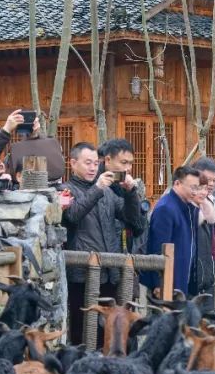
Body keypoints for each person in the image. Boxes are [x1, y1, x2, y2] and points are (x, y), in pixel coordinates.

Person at [63, 142, 146, 344]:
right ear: (73, 164)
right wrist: (98, 187)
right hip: (81, 274)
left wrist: (130, 193)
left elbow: (135, 223)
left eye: (95, 163)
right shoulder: (66, 189)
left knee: (109, 331)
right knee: (82, 331)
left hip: (110, 273)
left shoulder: (108, 192)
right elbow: (73, 216)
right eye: (87, 163)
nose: (92, 168)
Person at [143, 166, 201, 298]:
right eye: (192, 187)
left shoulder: (188, 207)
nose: (195, 191)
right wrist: (159, 283)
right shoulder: (166, 208)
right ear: (177, 183)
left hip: (182, 277)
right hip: (168, 280)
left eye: (197, 187)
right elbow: (158, 247)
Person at [99, 138, 147, 254]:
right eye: (124, 162)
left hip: (124, 254)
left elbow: (138, 227)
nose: (129, 168)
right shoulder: (94, 184)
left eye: (131, 163)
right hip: (98, 255)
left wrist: (130, 192)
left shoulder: (125, 185)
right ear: (108, 160)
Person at [189, 159, 215, 309]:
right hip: (189, 275)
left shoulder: (212, 202)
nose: (211, 184)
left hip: (208, 271)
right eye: (208, 179)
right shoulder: (182, 200)